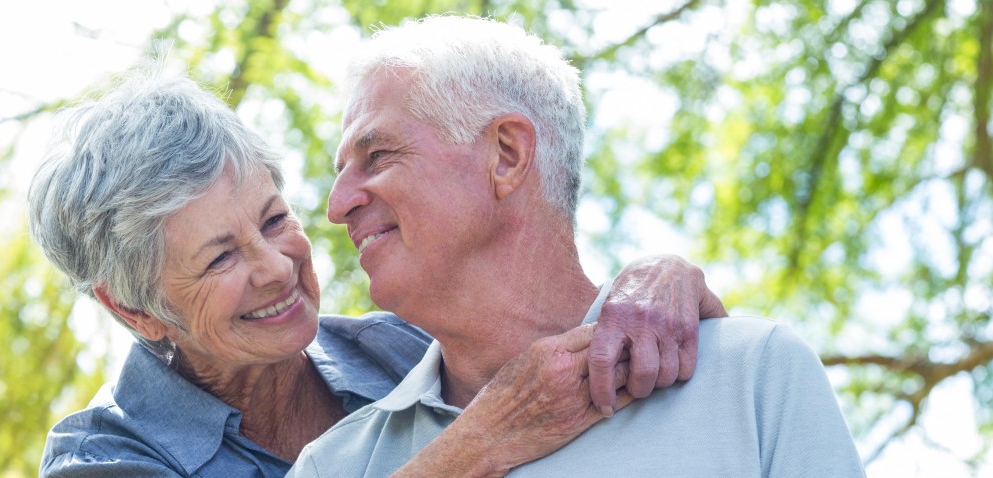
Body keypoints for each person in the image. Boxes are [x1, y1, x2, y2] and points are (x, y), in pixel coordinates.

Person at [29, 71, 726, 477]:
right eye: (220, 257)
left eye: (274, 221)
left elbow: (570, 340)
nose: (277, 269)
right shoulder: (104, 458)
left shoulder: (396, 348)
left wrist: (654, 281)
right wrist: (478, 446)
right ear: (134, 310)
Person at [289, 15, 865, 477]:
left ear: (507, 155)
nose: (336, 206)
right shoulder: (333, 465)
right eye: (342, 172)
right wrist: (471, 451)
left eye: (379, 156)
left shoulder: (751, 376)